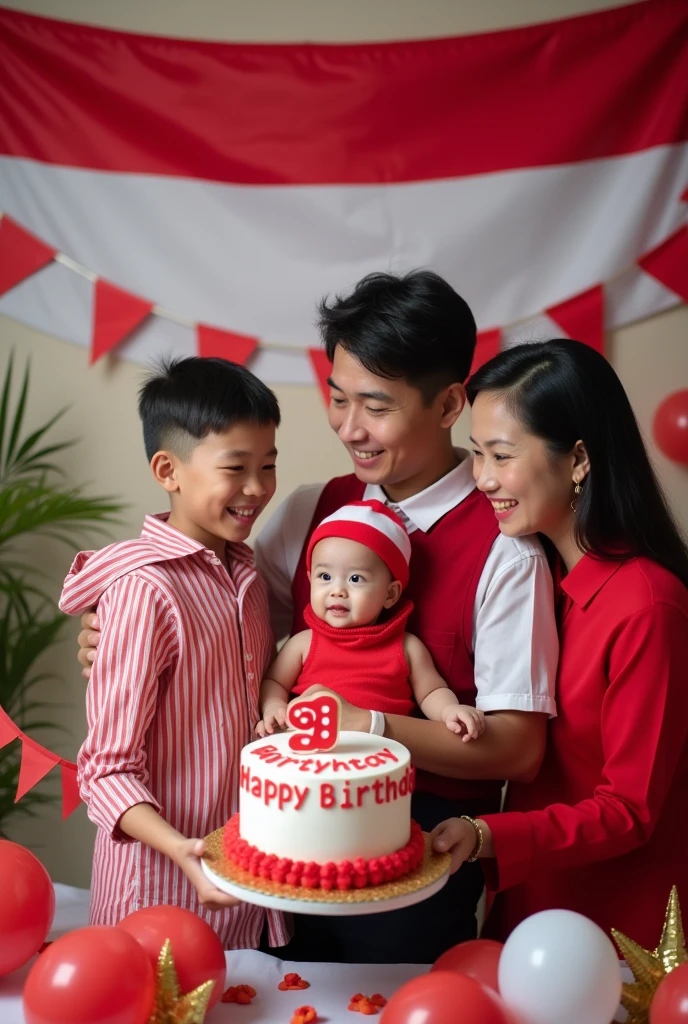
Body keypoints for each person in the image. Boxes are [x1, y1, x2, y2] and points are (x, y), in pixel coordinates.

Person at [77, 270, 558, 963]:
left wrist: (368, 726)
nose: (350, 428)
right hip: (273, 849)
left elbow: (520, 748)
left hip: (413, 861)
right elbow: (226, 626)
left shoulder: (504, 550)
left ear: (451, 402)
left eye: (376, 406)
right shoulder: (309, 509)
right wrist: (116, 627)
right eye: (337, 398)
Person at [430, 339, 688, 949]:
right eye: (476, 454)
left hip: (618, 931)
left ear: (577, 459)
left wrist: (487, 834)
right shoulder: (539, 580)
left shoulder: (649, 605)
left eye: (501, 455)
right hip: (536, 906)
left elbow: (630, 809)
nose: (483, 478)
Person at [59, 356, 289, 951]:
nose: (258, 488)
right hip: (156, 895)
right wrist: (181, 850)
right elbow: (106, 769)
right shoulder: (144, 590)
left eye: (268, 466)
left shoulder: (249, 578)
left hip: (242, 890)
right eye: (236, 468)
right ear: (169, 470)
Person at [258, 498, 485, 741]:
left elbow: (431, 691)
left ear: (390, 594)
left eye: (355, 579)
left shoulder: (406, 647)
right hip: (312, 761)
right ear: (310, 579)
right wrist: (274, 708)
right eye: (325, 576)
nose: (337, 591)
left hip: (379, 764)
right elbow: (274, 681)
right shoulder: (304, 643)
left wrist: (449, 710)